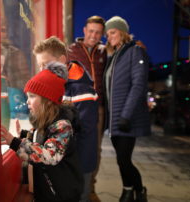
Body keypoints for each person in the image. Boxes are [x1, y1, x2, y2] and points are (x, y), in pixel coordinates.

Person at [1, 62, 84, 202]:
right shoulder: (47, 120)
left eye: (32, 96)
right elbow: (40, 138)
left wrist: (15, 143)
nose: (27, 102)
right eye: (27, 97)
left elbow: (48, 155)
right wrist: (23, 134)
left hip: (62, 194)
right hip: (49, 191)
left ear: (48, 100)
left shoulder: (63, 126)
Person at [33, 36, 98, 202]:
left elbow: (85, 130)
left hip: (77, 162)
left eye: (45, 64)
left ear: (62, 60)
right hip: (62, 159)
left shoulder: (80, 88)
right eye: (39, 65)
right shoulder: (54, 83)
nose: (42, 69)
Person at [103, 16, 150, 202]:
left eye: (113, 32)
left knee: (123, 159)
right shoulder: (114, 56)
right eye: (107, 34)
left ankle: (136, 191)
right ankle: (130, 191)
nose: (109, 37)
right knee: (121, 159)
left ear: (122, 32)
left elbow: (138, 84)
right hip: (114, 119)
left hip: (126, 117)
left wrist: (126, 115)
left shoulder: (135, 51)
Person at [67, 15, 107, 201]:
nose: (93, 35)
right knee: (74, 144)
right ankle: (74, 185)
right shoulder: (71, 50)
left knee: (94, 149)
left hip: (96, 106)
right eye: (91, 31)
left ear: (102, 34)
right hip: (74, 104)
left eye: (98, 32)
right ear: (84, 31)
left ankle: (90, 188)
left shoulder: (103, 52)